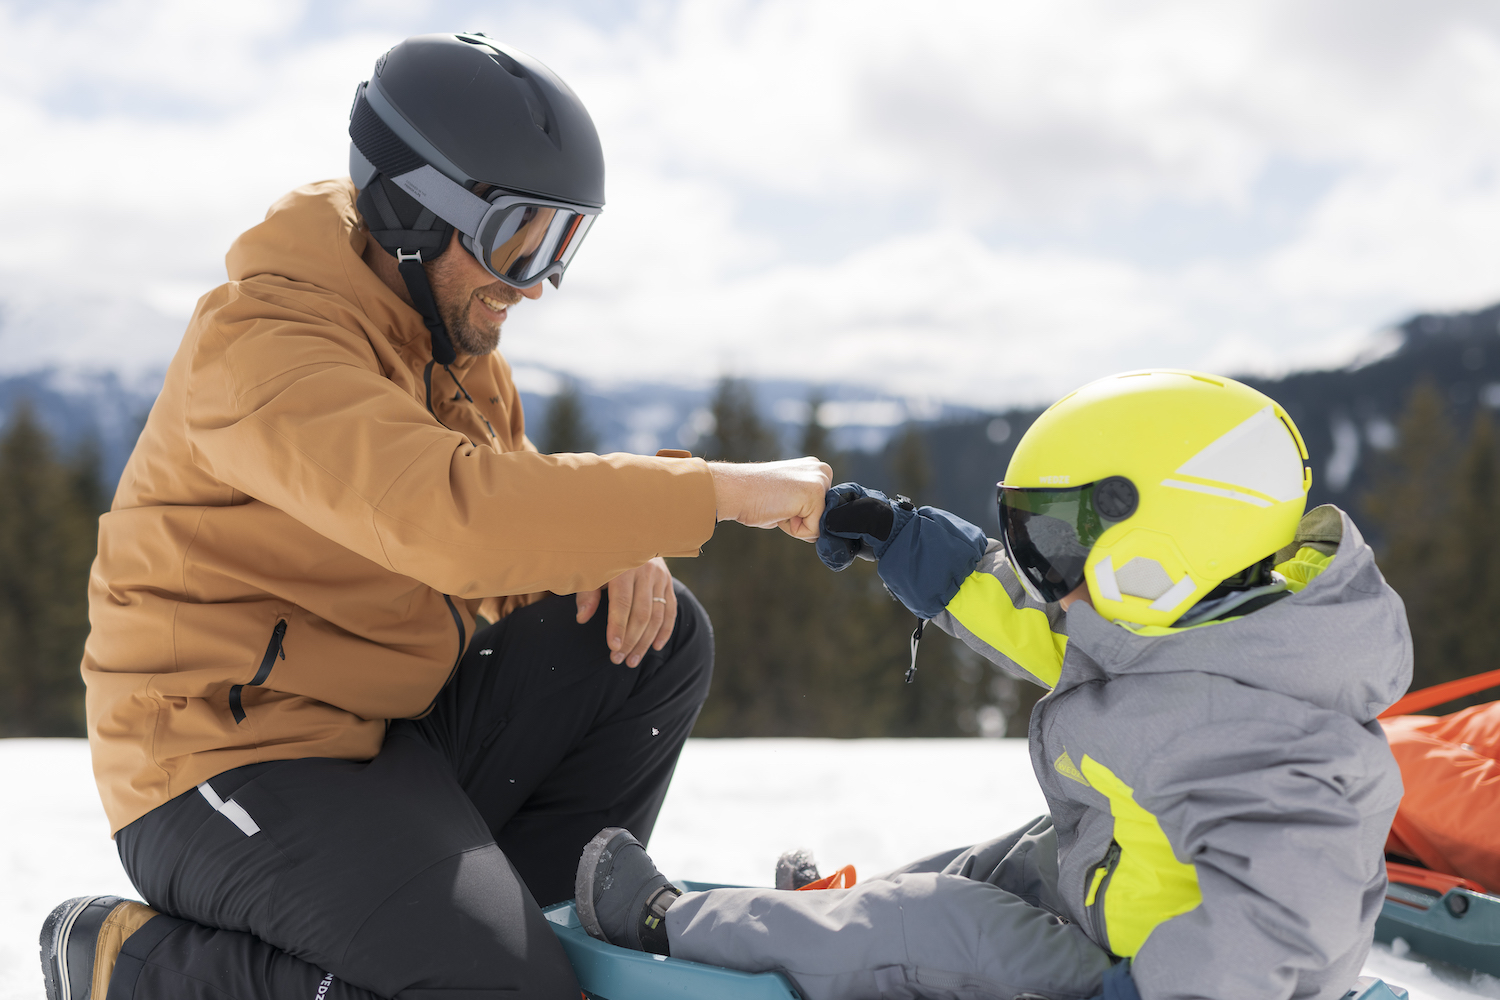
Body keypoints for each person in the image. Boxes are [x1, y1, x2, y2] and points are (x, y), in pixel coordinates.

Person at [40, 32, 831, 1000]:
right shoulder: (263, 348)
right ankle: (139, 966)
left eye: (564, 242)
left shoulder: (447, 348)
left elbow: (509, 520)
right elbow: (448, 515)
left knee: (650, 639)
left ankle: (528, 932)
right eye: (520, 239)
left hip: (394, 732)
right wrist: (717, 489)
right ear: (412, 210)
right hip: (225, 759)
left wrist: (618, 546)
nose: (537, 280)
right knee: (490, 994)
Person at [577, 369, 1412, 1000]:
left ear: (1167, 545)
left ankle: (670, 926)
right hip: (1114, 891)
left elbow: (1284, 926)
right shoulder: (1197, 619)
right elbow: (1033, 616)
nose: (1043, 577)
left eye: (1052, 544)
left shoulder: (1279, 736)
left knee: (931, 923)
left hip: (1157, 981)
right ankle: (836, 933)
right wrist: (894, 534)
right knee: (991, 864)